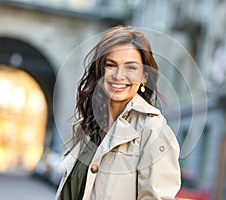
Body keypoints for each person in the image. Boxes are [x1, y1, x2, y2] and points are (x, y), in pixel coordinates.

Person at [55, 26, 181, 200]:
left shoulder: (153, 130)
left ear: (144, 76)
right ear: (101, 71)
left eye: (130, 68)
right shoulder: (91, 126)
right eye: (111, 65)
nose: (119, 75)